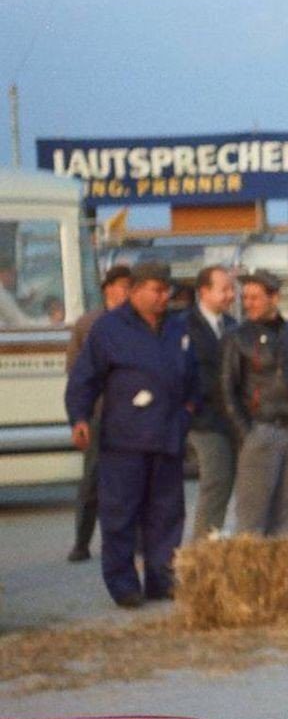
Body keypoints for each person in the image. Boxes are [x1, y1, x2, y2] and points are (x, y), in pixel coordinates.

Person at [65, 260, 197, 607]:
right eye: (156, 289)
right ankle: (123, 584)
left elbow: (194, 379)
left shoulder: (177, 328)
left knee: (166, 514)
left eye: (166, 290)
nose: (163, 296)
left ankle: (161, 578)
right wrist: (79, 418)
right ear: (135, 290)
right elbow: (84, 379)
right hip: (124, 441)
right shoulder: (109, 329)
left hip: (168, 437)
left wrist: (189, 411)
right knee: (120, 515)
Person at [221, 270, 288, 536]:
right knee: (253, 514)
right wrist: (246, 431)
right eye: (245, 297)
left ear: (274, 298)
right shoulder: (237, 337)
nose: (248, 303)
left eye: (255, 297)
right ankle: (251, 572)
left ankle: (284, 571)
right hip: (261, 429)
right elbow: (227, 388)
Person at [64, 264, 132, 562]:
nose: (129, 292)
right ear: (109, 289)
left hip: (130, 415)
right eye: (124, 286)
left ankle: (135, 542)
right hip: (99, 413)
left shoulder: (137, 323)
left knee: (132, 481)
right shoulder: (88, 323)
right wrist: (83, 412)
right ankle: (81, 541)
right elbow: (76, 370)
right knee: (91, 480)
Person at [185, 265, 238, 540]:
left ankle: (210, 539)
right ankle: (200, 548)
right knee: (216, 478)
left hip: (229, 419)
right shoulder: (184, 326)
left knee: (225, 481)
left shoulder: (232, 326)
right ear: (203, 292)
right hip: (201, 420)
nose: (231, 295)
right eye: (224, 289)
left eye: (232, 289)